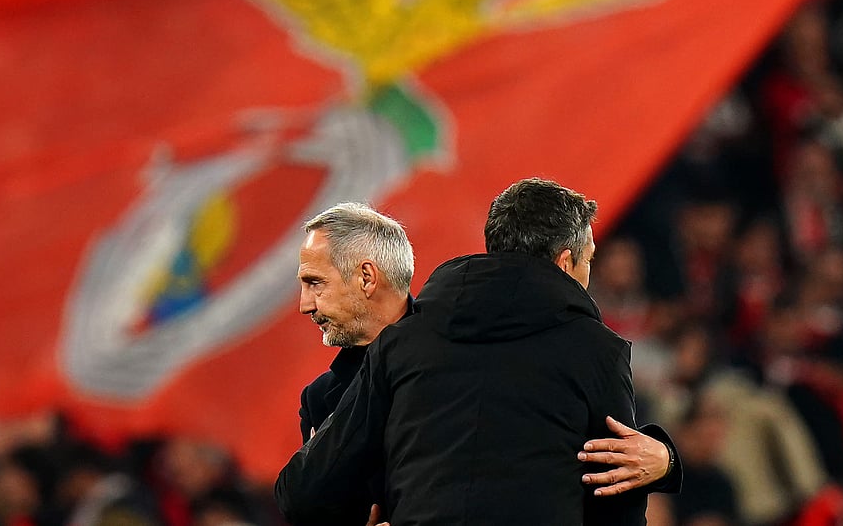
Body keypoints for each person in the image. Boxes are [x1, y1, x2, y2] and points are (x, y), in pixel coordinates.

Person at [279, 180, 679, 525]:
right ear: (564, 263)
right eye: (588, 261)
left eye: (315, 283)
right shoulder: (596, 350)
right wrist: (665, 461)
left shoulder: (405, 345)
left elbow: (302, 494)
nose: (305, 304)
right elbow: (616, 491)